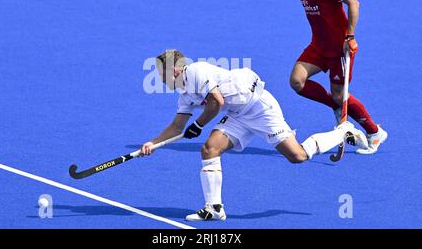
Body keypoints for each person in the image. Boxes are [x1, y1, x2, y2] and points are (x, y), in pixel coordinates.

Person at [141, 49, 368, 221]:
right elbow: (176, 127)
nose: (160, 79)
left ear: (175, 70)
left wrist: (199, 125)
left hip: (259, 107)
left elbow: (216, 102)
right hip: (237, 114)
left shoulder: (197, 71)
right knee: (209, 148)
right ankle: (214, 208)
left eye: (162, 73)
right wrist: (152, 144)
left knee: (297, 156)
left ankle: (343, 130)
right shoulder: (184, 95)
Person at [290, 0, 387, 155]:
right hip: (318, 45)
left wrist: (350, 36)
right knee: (297, 81)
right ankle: (337, 108)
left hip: (340, 48)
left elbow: (354, 2)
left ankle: (374, 133)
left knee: (338, 93)